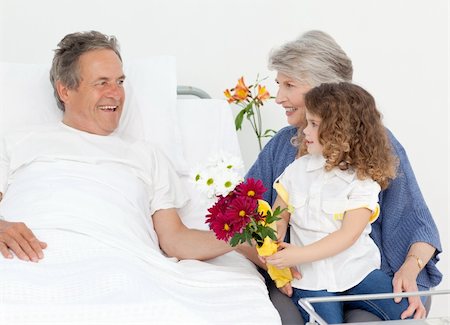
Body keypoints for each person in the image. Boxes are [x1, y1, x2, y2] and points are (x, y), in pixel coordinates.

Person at [0, 31, 280, 324]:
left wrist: (242, 238)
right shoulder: (17, 142)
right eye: (101, 83)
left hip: (118, 264)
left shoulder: (146, 156)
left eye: (120, 82)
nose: (115, 93)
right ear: (65, 91)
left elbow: (176, 241)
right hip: (25, 259)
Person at [246, 30, 442, 323]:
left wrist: (409, 268)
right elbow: (248, 218)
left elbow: (417, 224)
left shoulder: (376, 146)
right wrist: (274, 262)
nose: (278, 98)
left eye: (289, 85)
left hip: (366, 273)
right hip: (304, 279)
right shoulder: (284, 150)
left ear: (326, 92)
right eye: (278, 84)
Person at [263, 82, 407, 323]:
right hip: (310, 279)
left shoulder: (362, 180)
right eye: (307, 122)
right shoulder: (295, 171)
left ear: (341, 132)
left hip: (357, 272)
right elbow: (279, 216)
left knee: (406, 312)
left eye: (314, 124)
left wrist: (297, 255)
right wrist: (274, 245)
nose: (305, 131)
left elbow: (347, 235)